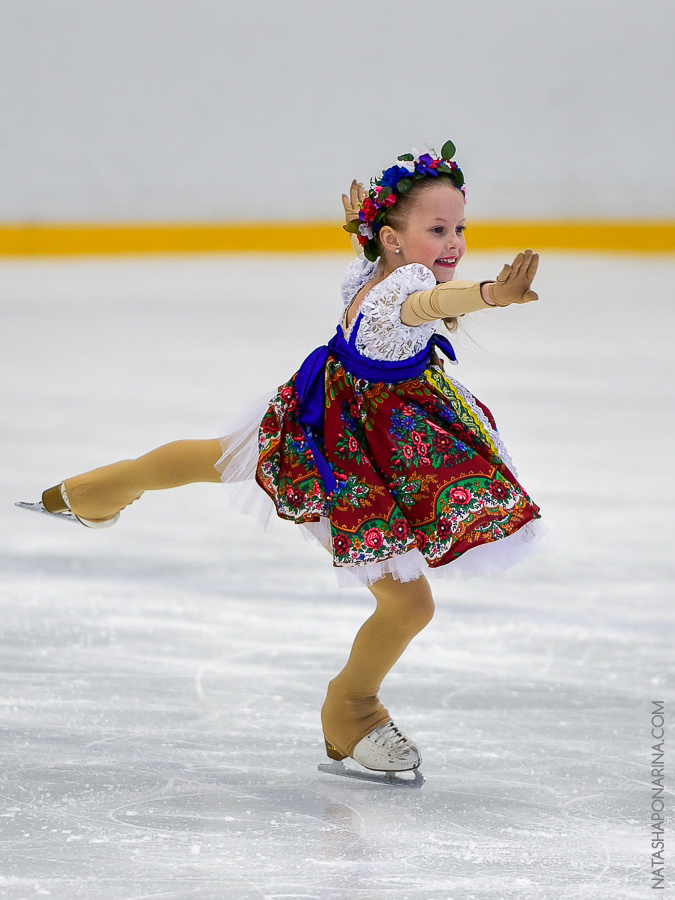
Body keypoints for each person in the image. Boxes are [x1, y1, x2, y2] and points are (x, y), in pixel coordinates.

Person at [20, 141, 542, 781]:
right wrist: (490, 293)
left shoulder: (374, 270)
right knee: (409, 606)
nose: (454, 241)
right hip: (344, 459)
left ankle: (91, 492)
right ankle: (351, 709)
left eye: (459, 227)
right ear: (396, 239)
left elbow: (407, 281)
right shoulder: (401, 288)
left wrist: (375, 237)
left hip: (319, 413)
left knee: (219, 458)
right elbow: (429, 304)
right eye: (437, 229)